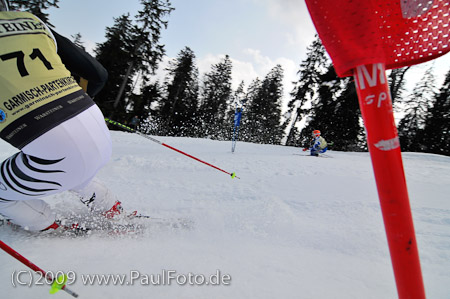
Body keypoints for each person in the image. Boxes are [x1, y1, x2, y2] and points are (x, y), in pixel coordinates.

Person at [0, 1, 128, 233]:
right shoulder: (32, 21)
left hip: (57, 155)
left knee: (53, 166)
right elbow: (97, 74)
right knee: (71, 170)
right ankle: (111, 208)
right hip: (97, 129)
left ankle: (47, 227)